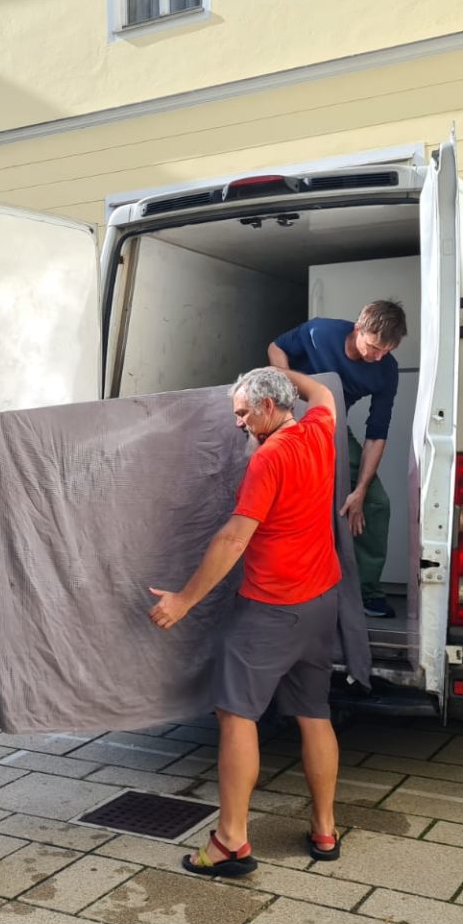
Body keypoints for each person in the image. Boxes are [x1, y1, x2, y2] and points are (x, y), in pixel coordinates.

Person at [149, 366, 343, 874]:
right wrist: (282, 372)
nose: (237, 423)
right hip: (322, 600)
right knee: (314, 714)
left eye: (241, 412)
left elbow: (234, 539)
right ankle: (325, 829)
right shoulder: (319, 429)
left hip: (271, 609)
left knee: (235, 715)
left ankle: (231, 841)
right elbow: (321, 391)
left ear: (266, 406)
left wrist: (184, 601)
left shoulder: (270, 458)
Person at [267, 300, 407, 618]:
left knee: (376, 503)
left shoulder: (387, 369)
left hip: (330, 424)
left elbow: (376, 434)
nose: (378, 356)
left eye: (386, 350)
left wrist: (358, 491)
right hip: (284, 415)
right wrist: (285, 382)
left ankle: (366, 592)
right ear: (358, 327)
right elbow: (276, 346)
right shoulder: (320, 331)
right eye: (373, 347)